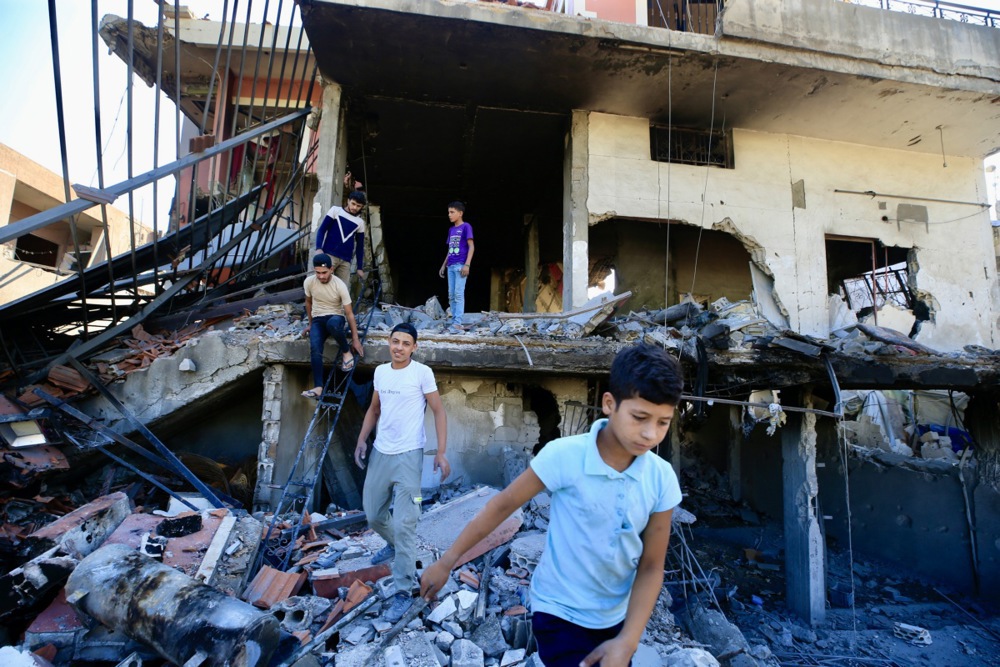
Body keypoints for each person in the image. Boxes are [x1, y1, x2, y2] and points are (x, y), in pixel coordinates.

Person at [420, 344, 684, 667]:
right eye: (640, 417)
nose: (649, 433)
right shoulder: (564, 456)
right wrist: (447, 561)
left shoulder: (661, 479)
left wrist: (628, 640)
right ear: (609, 404)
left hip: (617, 618)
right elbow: (502, 506)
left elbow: (652, 566)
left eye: (662, 423)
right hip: (559, 612)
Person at [355, 323, 452, 623]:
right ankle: (395, 544)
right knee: (373, 514)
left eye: (405, 343)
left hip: (410, 456)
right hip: (382, 452)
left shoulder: (422, 373)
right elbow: (374, 409)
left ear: (414, 347)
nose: (398, 347)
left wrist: (440, 451)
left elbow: (438, 411)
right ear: (389, 342)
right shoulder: (381, 372)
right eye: (395, 341)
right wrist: (362, 439)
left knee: (406, 522)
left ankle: (402, 592)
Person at [302, 253, 365, 399]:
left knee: (333, 324)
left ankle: (346, 352)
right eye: (318, 273)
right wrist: (311, 324)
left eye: (324, 272)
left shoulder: (340, 285)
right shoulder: (309, 282)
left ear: (331, 269)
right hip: (318, 318)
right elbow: (308, 303)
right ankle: (318, 387)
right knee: (315, 346)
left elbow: (349, 314)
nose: (321, 276)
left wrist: (355, 339)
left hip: (336, 317)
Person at [315, 189, 368, 287]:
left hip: (346, 261)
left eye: (358, 206)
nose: (355, 207)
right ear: (348, 201)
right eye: (353, 203)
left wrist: (359, 267)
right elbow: (322, 230)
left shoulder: (360, 222)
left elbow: (360, 246)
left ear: (362, 207)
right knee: (321, 284)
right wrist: (318, 248)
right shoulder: (336, 210)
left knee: (342, 290)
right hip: (329, 256)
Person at [437, 201, 474, 333]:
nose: (449, 215)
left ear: (460, 213)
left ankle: (458, 323)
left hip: (460, 265)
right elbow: (450, 249)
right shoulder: (451, 230)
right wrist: (444, 265)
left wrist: (467, 265)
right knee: (451, 295)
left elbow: (471, 247)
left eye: (452, 212)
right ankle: (454, 322)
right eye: (448, 212)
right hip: (451, 265)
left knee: (458, 294)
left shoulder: (466, 227)